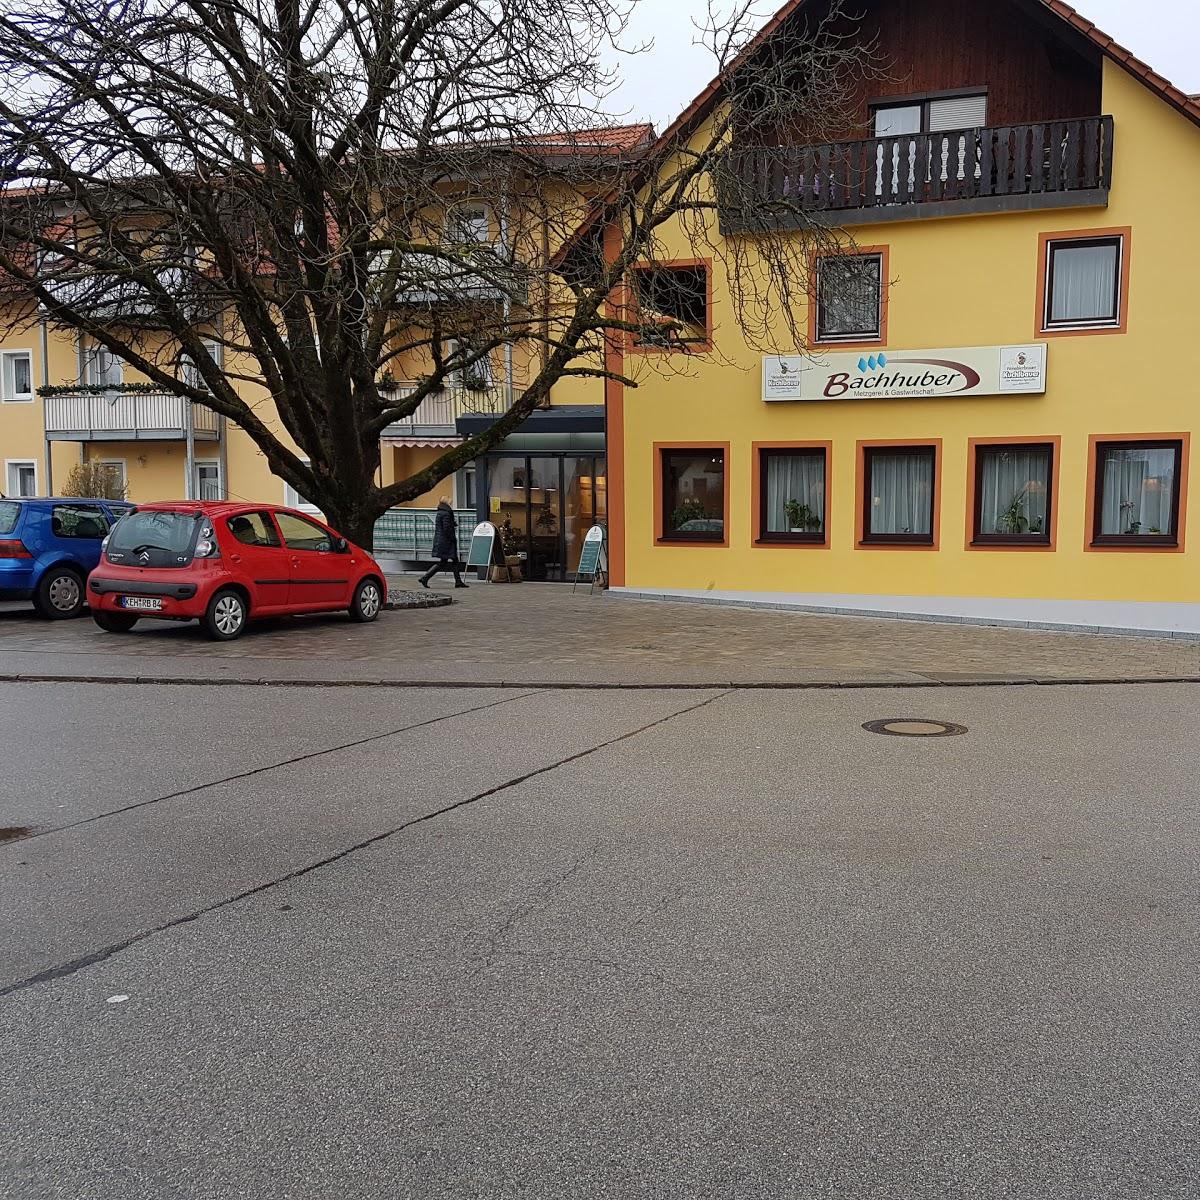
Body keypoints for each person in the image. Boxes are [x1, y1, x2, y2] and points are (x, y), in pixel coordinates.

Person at [419, 497, 468, 589]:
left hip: (442, 541)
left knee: (448, 561)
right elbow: (446, 528)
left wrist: (452, 524)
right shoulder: (446, 513)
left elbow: (445, 525)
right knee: (448, 561)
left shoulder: (441, 512)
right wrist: (452, 538)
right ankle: (425, 578)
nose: (451, 503)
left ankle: (457, 581)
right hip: (446, 541)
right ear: (447, 502)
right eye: (450, 502)